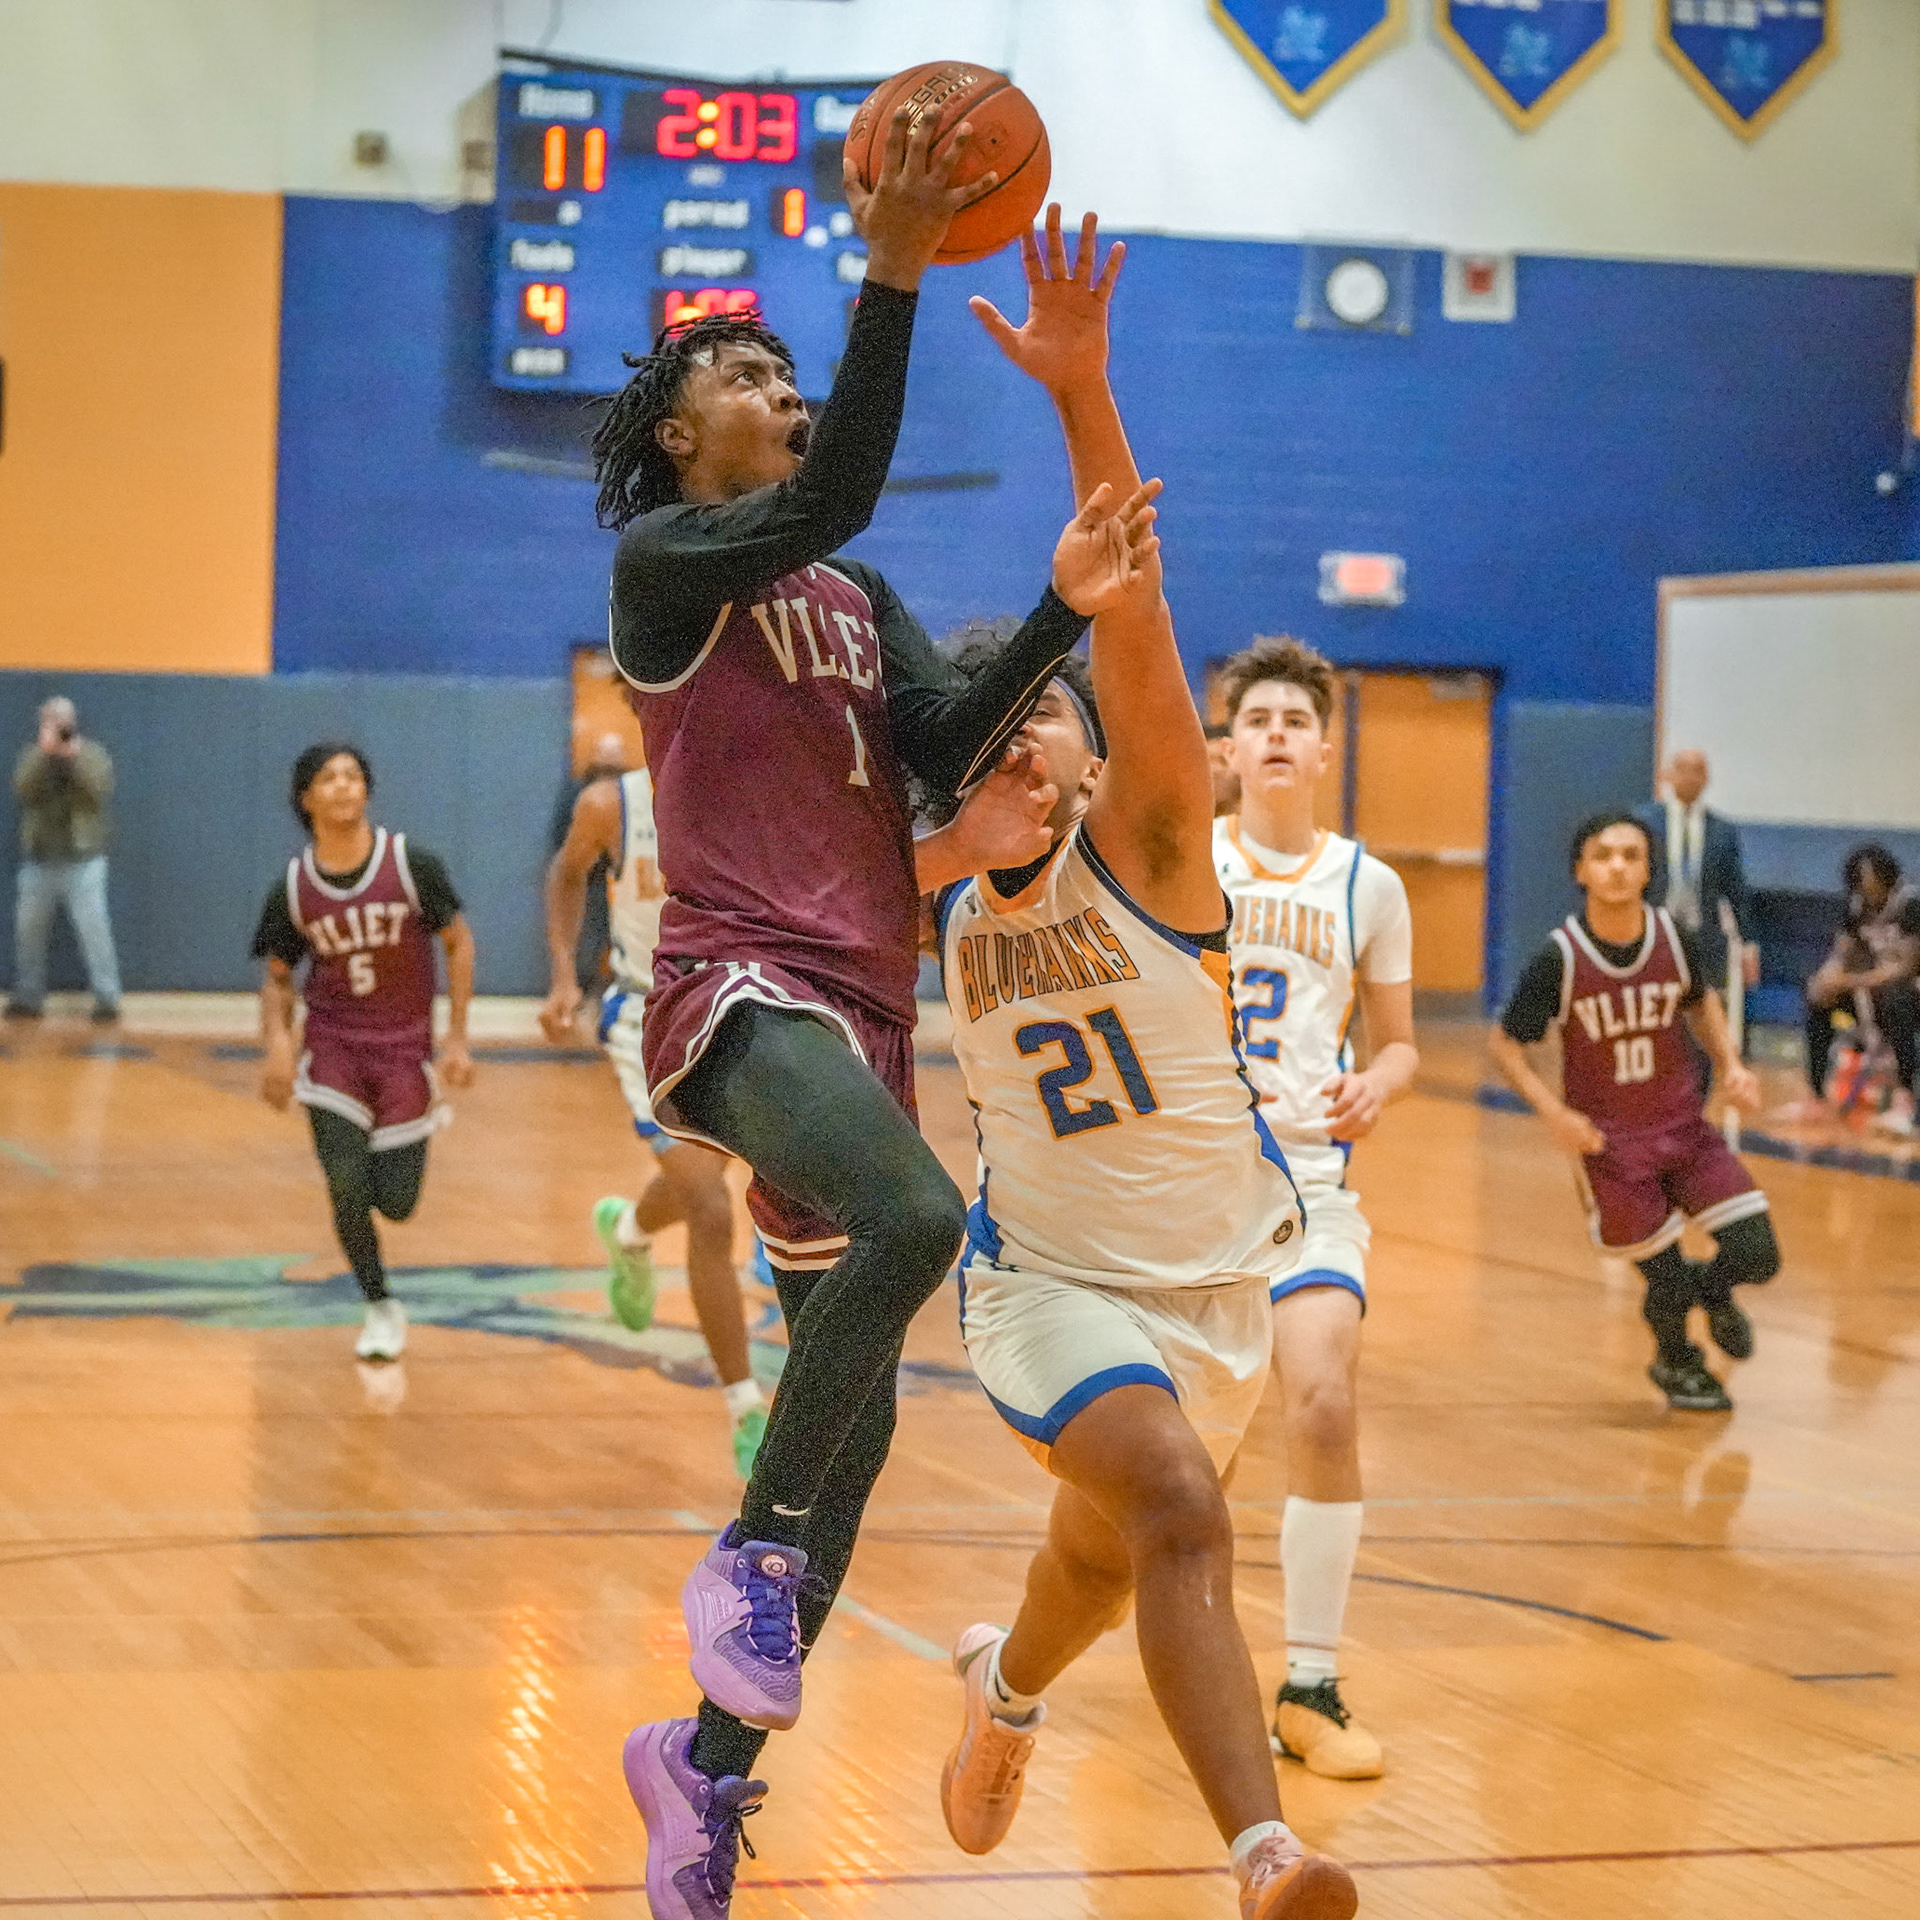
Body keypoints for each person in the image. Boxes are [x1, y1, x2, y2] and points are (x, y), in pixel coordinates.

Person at [598, 102, 1155, 1912]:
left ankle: (703, 1766)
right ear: (685, 444)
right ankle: (746, 1561)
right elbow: (829, 485)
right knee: (918, 1215)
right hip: (739, 995)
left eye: (783, 362)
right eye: (749, 374)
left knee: (868, 1426)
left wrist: (1057, 621)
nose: (779, 388)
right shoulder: (671, 573)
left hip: (863, 1005)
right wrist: (894, 261)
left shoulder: (854, 587)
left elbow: (935, 744)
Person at [925, 287, 1357, 1912]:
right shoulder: (947, 890)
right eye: (996, 732)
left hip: (1216, 1284)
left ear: (1097, 758)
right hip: (1040, 1286)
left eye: (1050, 717)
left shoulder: (1160, 849)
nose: (1026, 745)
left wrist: (1085, 390)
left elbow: (1130, 597)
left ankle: (1002, 1693)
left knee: (1103, 1561)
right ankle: (1269, 1855)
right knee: (1174, 1509)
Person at [1213, 636, 1416, 1781]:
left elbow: (1401, 1046)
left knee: (1325, 1399)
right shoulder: (1183, 861)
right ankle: (1029, 1652)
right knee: (1182, 1463)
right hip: (1190, 1194)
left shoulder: (1367, 884)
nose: (1280, 732)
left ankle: (1312, 1680)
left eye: (1298, 718)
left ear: (1324, 747)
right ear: (1231, 748)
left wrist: (1376, 1085)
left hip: (1310, 1186)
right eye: (1261, 719)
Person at [1489, 812, 1781, 1412]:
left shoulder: (1674, 936)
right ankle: (1678, 1361)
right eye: (1603, 855)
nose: (1618, 866)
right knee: (1664, 1277)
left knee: (1758, 1253)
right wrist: (1552, 1112)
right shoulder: (1560, 957)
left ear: (1649, 869)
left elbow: (1700, 1005)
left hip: (1683, 1127)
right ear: (1581, 871)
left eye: (1631, 855)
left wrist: (1730, 1064)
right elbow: (1505, 1045)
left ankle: (1713, 1294)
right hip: (1611, 1144)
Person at [540, 752, 769, 1478]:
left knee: (705, 1174)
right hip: (648, 1012)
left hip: (734, 1005)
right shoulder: (613, 806)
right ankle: (746, 1406)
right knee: (709, 1204)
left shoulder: (750, 789)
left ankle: (630, 1231)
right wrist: (561, 976)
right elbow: (566, 874)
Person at [252, 744, 476, 1361]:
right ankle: (379, 1304)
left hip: (404, 1051)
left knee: (397, 1203)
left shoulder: (410, 865)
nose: (344, 786)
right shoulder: (295, 887)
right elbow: (276, 976)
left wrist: (456, 1037)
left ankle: (396, 1168)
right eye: (329, 777)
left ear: (367, 791)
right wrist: (277, 1046)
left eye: (353, 776)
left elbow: (458, 944)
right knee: (345, 1183)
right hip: (333, 1050)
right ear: (307, 798)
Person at [1786, 843, 1920, 1136]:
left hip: (1909, 994)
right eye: (1861, 882)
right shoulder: (1856, 906)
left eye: (1872, 881)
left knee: (1897, 998)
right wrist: (1826, 978)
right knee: (1820, 999)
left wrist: (1851, 981)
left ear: (1888, 878)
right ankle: (1816, 1092)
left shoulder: (1910, 904)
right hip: (1870, 993)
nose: (1867, 889)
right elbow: (1841, 953)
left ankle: (1905, 1098)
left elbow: (1906, 968)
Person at [7, 696, 123, 1024]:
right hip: (40, 860)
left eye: (62, 722)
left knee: (94, 931)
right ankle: (28, 997)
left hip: (84, 861)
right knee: (28, 932)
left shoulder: (93, 755)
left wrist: (75, 759)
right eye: (50, 720)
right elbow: (22, 789)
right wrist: (44, 756)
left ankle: (107, 998)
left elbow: (100, 789)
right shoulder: (33, 755)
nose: (57, 727)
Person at [1639, 750, 1757, 1004]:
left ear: (1707, 778)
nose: (1690, 777)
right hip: (1653, 936)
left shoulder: (1722, 831)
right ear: (1668, 775)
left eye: (1698, 771)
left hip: (1704, 941)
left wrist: (1748, 944)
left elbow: (1735, 890)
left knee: (1703, 1013)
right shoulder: (1644, 823)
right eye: (1682, 769)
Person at [548, 730, 631, 994]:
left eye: (613, 764)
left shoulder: (632, 795)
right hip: (591, 881)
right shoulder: (578, 794)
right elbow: (561, 845)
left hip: (624, 881)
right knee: (587, 941)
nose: (608, 770)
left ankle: (607, 993)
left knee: (623, 941)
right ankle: (578, 991)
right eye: (604, 762)